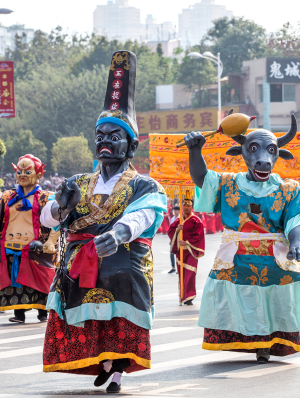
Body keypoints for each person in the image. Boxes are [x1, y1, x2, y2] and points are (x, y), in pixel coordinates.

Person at [40, 51, 167, 393]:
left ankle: (118, 368)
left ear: (131, 144)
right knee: (86, 315)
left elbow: (146, 214)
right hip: (80, 263)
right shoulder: (79, 183)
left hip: (123, 263)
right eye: (100, 136)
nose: (105, 142)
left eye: (114, 137)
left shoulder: (145, 184)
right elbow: (47, 219)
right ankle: (105, 362)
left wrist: (120, 232)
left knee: (121, 316)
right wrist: (59, 208)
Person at [182, 113, 300, 364]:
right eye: (254, 149)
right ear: (242, 152)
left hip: (275, 256)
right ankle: (246, 340)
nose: (262, 158)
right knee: (233, 295)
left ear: (278, 155)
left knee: (272, 299)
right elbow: (202, 179)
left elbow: (297, 219)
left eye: (270, 150)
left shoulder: (291, 188)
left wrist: (297, 243)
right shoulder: (228, 182)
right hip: (236, 254)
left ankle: (265, 344)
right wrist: (195, 151)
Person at [0, 155, 59, 323]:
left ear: (39, 174)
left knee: (41, 283)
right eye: (19, 171)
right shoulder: (7, 197)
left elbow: (59, 221)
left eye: (27, 171)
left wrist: (50, 242)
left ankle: (43, 313)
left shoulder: (47, 198)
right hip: (11, 247)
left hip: (36, 249)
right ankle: (19, 314)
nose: (22, 174)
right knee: (16, 283)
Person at [168, 199, 205, 305]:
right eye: (184, 206)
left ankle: (189, 296)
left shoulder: (196, 220)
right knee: (181, 274)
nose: (185, 208)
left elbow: (198, 236)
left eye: (188, 206)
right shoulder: (178, 220)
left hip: (191, 251)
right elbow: (170, 231)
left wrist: (187, 242)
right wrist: (177, 230)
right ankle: (183, 295)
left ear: (192, 207)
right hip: (180, 252)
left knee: (190, 273)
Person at [167, 206, 180, 274]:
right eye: (174, 210)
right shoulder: (172, 219)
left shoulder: (181, 218)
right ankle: (173, 267)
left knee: (179, 253)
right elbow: (170, 229)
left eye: (176, 210)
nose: (175, 211)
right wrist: (171, 239)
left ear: (179, 211)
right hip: (173, 238)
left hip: (179, 237)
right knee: (171, 253)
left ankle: (179, 268)